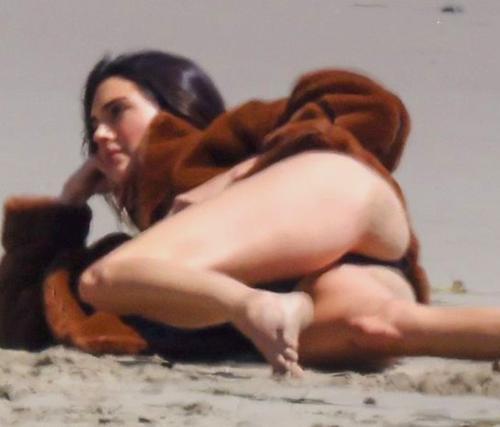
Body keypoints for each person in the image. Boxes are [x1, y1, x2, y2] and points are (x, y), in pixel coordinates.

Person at [2, 50, 497, 377]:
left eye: (117, 111)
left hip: (331, 188)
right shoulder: (165, 242)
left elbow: (368, 103)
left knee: (108, 277)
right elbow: (17, 324)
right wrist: (66, 204)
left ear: (174, 103)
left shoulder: (216, 140)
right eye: (93, 125)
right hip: (338, 264)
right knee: (378, 329)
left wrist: (239, 173)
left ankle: (251, 305)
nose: (100, 134)